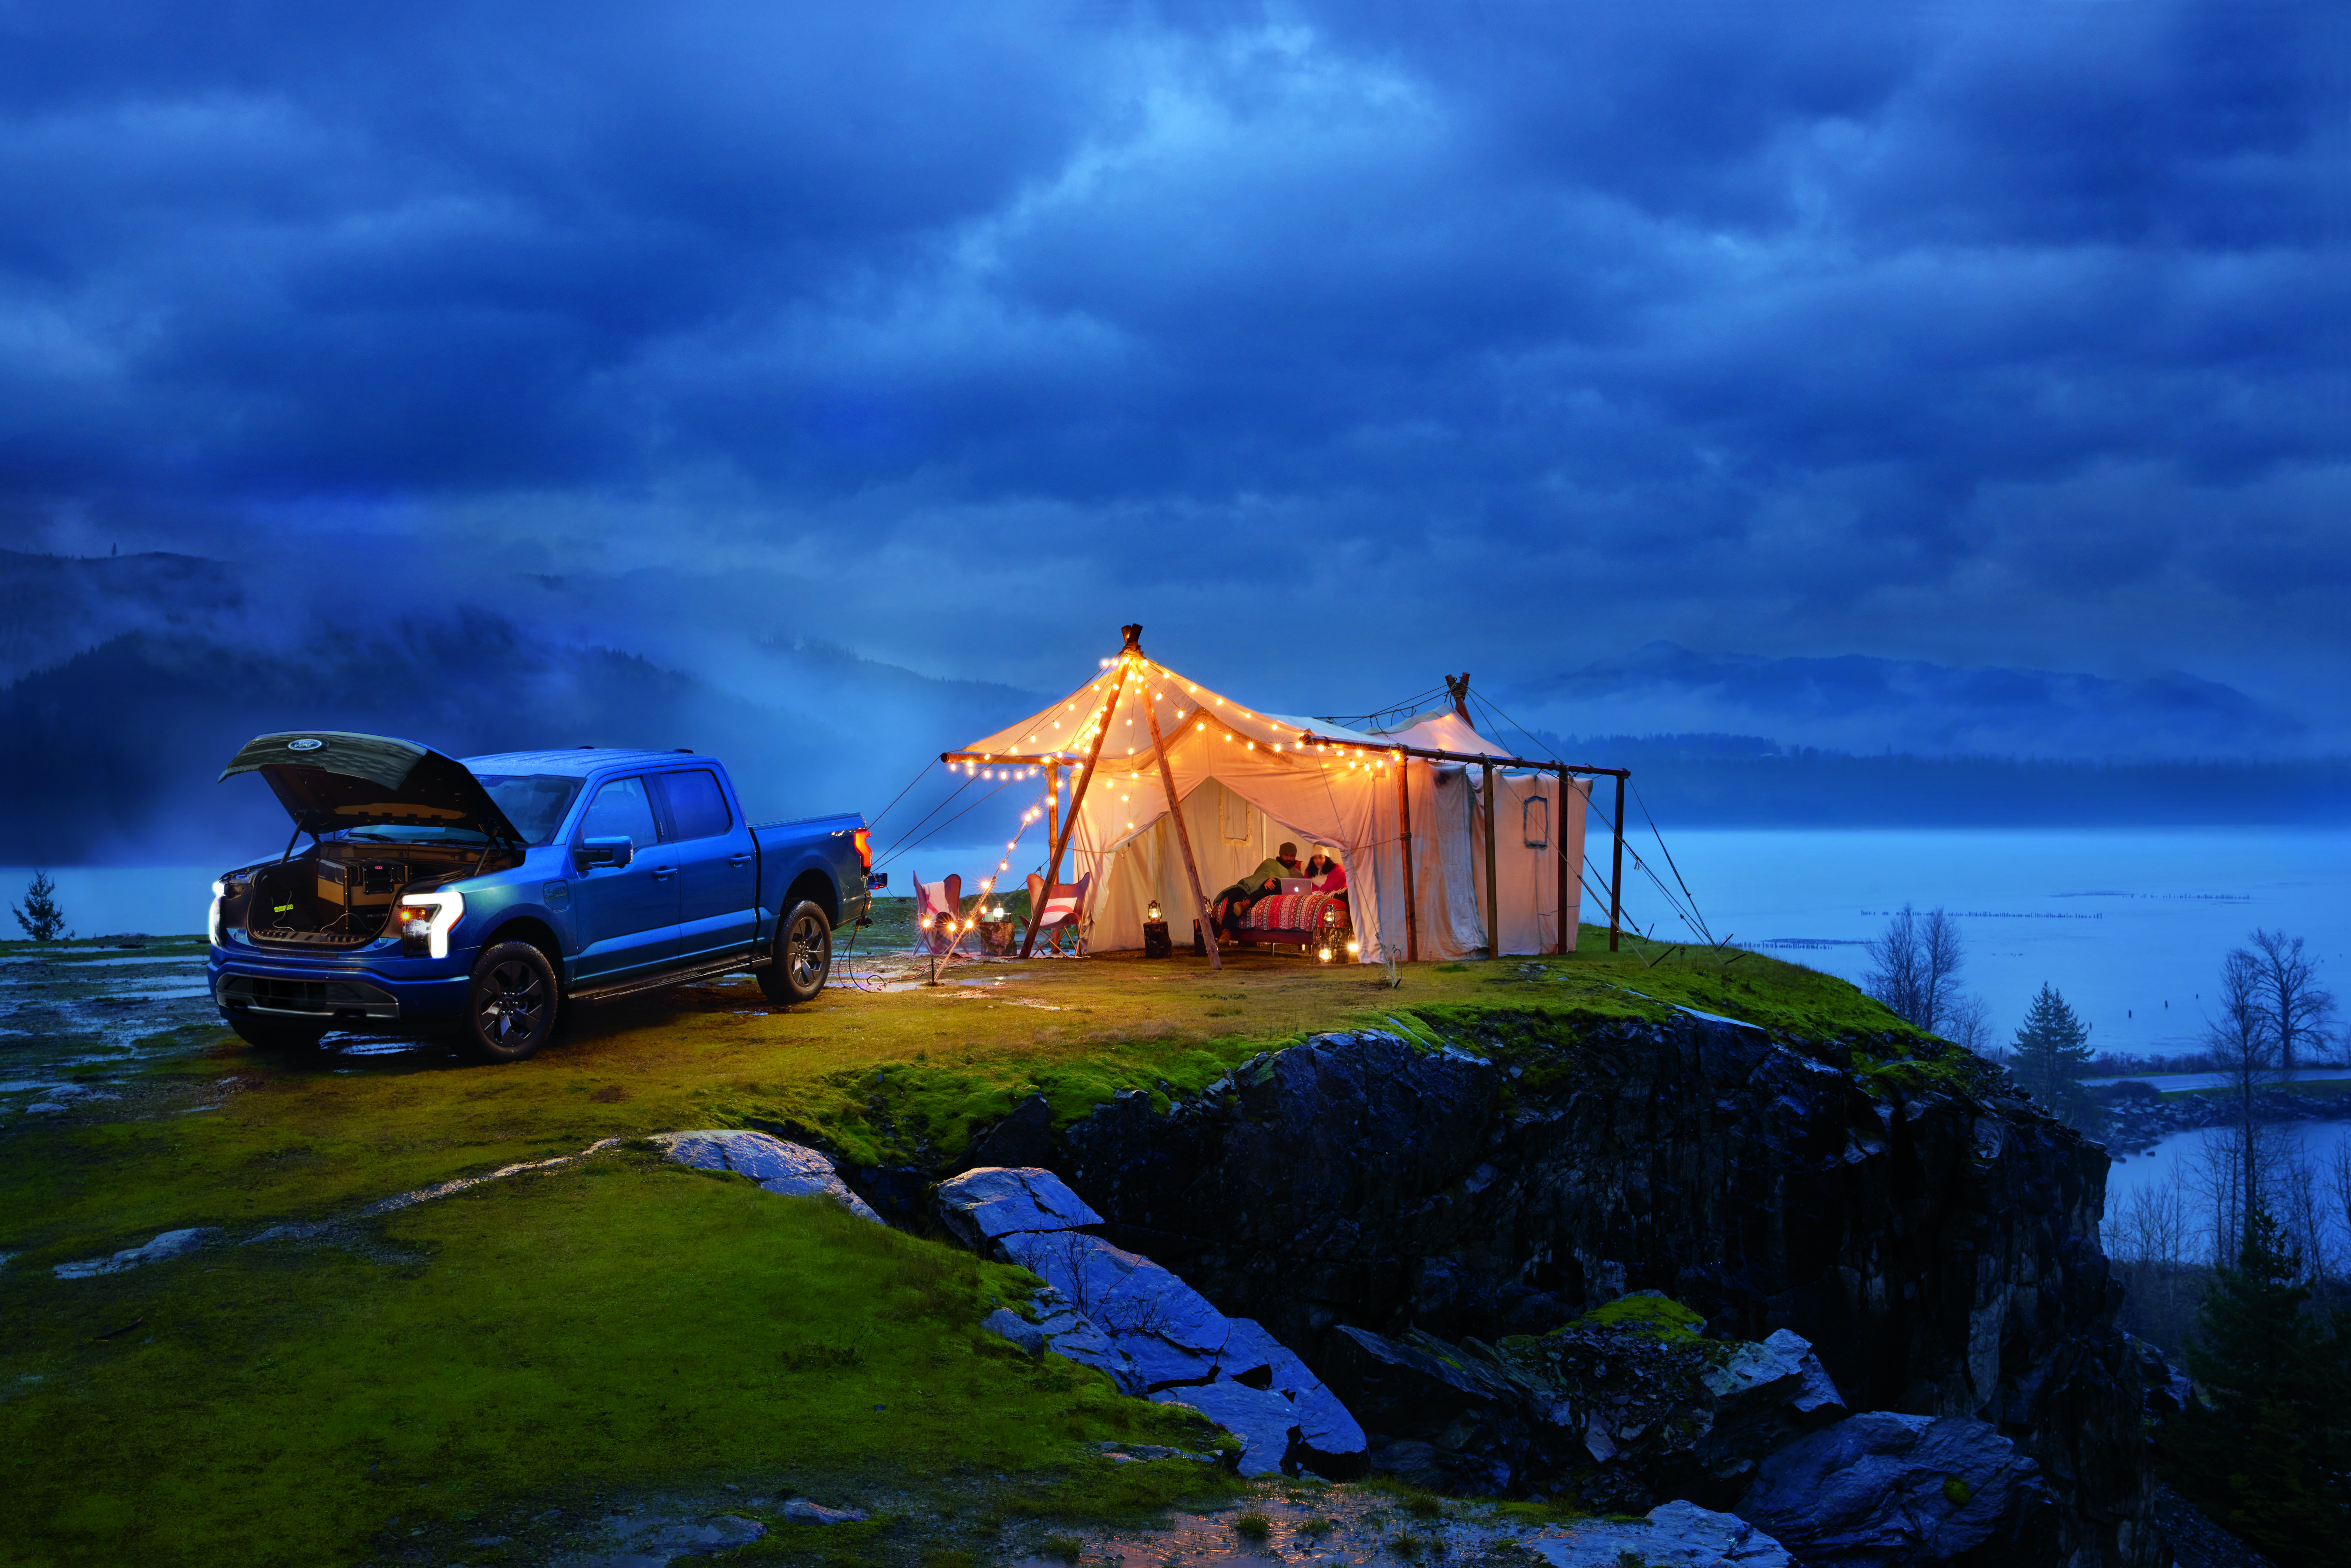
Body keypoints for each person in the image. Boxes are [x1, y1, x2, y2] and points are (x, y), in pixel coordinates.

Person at [1216, 843, 1303, 935]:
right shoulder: (1270, 863)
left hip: (1272, 888)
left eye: (1292, 856)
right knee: (1237, 891)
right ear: (1281, 855)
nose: (1289, 859)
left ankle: (1246, 903)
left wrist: (1271, 880)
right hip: (1258, 886)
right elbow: (1259, 876)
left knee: (1275, 883)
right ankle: (1226, 931)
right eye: (1286, 855)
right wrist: (1265, 880)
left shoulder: (1298, 875)